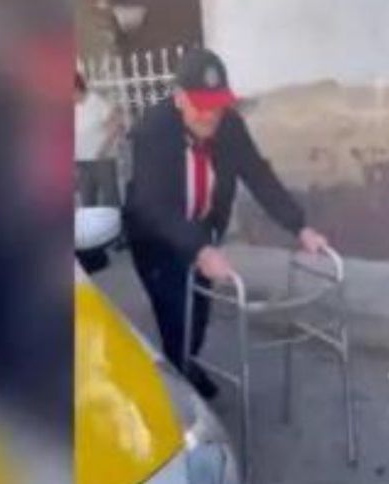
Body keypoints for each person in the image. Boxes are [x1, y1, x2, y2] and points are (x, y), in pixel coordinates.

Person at [123, 48, 329, 399]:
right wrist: (200, 250)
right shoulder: (152, 131)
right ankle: (180, 390)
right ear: (179, 98)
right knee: (176, 313)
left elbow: (258, 175)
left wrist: (300, 227)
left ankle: (186, 363)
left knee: (199, 312)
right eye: (201, 105)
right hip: (157, 236)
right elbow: (153, 205)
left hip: (202, 227)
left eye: (217, 105)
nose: (210, 116)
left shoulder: (230, 126)